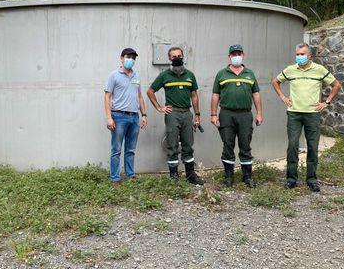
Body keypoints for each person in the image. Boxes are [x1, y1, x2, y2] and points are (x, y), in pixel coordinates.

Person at [271, 43, 341, 192]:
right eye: (297, 54)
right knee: (293, 145)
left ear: (310, 56)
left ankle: (311, 180)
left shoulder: (319, 70)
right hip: (294, 113)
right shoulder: (290, 70)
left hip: (312, 114)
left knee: (312, 147)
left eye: (302, 54)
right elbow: (275, 82)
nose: (299, 57)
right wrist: (283, 97)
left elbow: (336, 85)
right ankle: (291, 179)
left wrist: (326, 102)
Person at [147, 47, 204, 185]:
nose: (177, 58)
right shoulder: (164, 75)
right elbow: (150, 91)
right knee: (172, 145)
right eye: (174, 56)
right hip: (173, 114)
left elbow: (194, 95)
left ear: (183, 57)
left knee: (188, 145)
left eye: (179, 55)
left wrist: (197, 114)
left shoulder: (190, 75)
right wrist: (159, 107)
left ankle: (190, 175)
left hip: (187, 113)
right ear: (169, 59)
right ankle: (174, 176)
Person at [211, 45, 263, 188]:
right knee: (228, 144)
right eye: (233, 54)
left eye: (238, 53)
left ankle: (247, 177)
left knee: (245, 145)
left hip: (245, 114)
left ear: (243, 55)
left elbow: (256, 94)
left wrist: (259, 113)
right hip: (227, 114)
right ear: (229, 56)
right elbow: (215, 95)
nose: (236, 56)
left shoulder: (249, 73)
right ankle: (229, 176)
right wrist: (213, 114)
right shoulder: (222, 74)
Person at [104, 47, 147, 186]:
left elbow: (140, 97)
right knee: (116, 149)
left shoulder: (137, 76)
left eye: (133, 58)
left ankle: (130, 174)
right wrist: (109, 117)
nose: (131, 60)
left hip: (134, 117)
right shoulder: (114, 75)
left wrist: (144, 115)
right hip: (119, 116)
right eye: (128, 57)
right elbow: (107, 96)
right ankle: (115, 178)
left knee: (130, 149)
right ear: (121, 58)